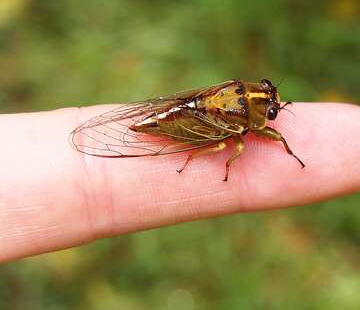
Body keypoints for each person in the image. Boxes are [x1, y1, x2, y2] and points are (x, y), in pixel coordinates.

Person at [0, 102, 359, 263]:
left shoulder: (238, 98)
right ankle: (170, 139)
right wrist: (205, 157)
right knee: (223, 145)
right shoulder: (241, 128)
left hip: (189, 105)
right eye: (268, 108)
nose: (272, 107)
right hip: (188, 124)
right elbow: (233, 150)